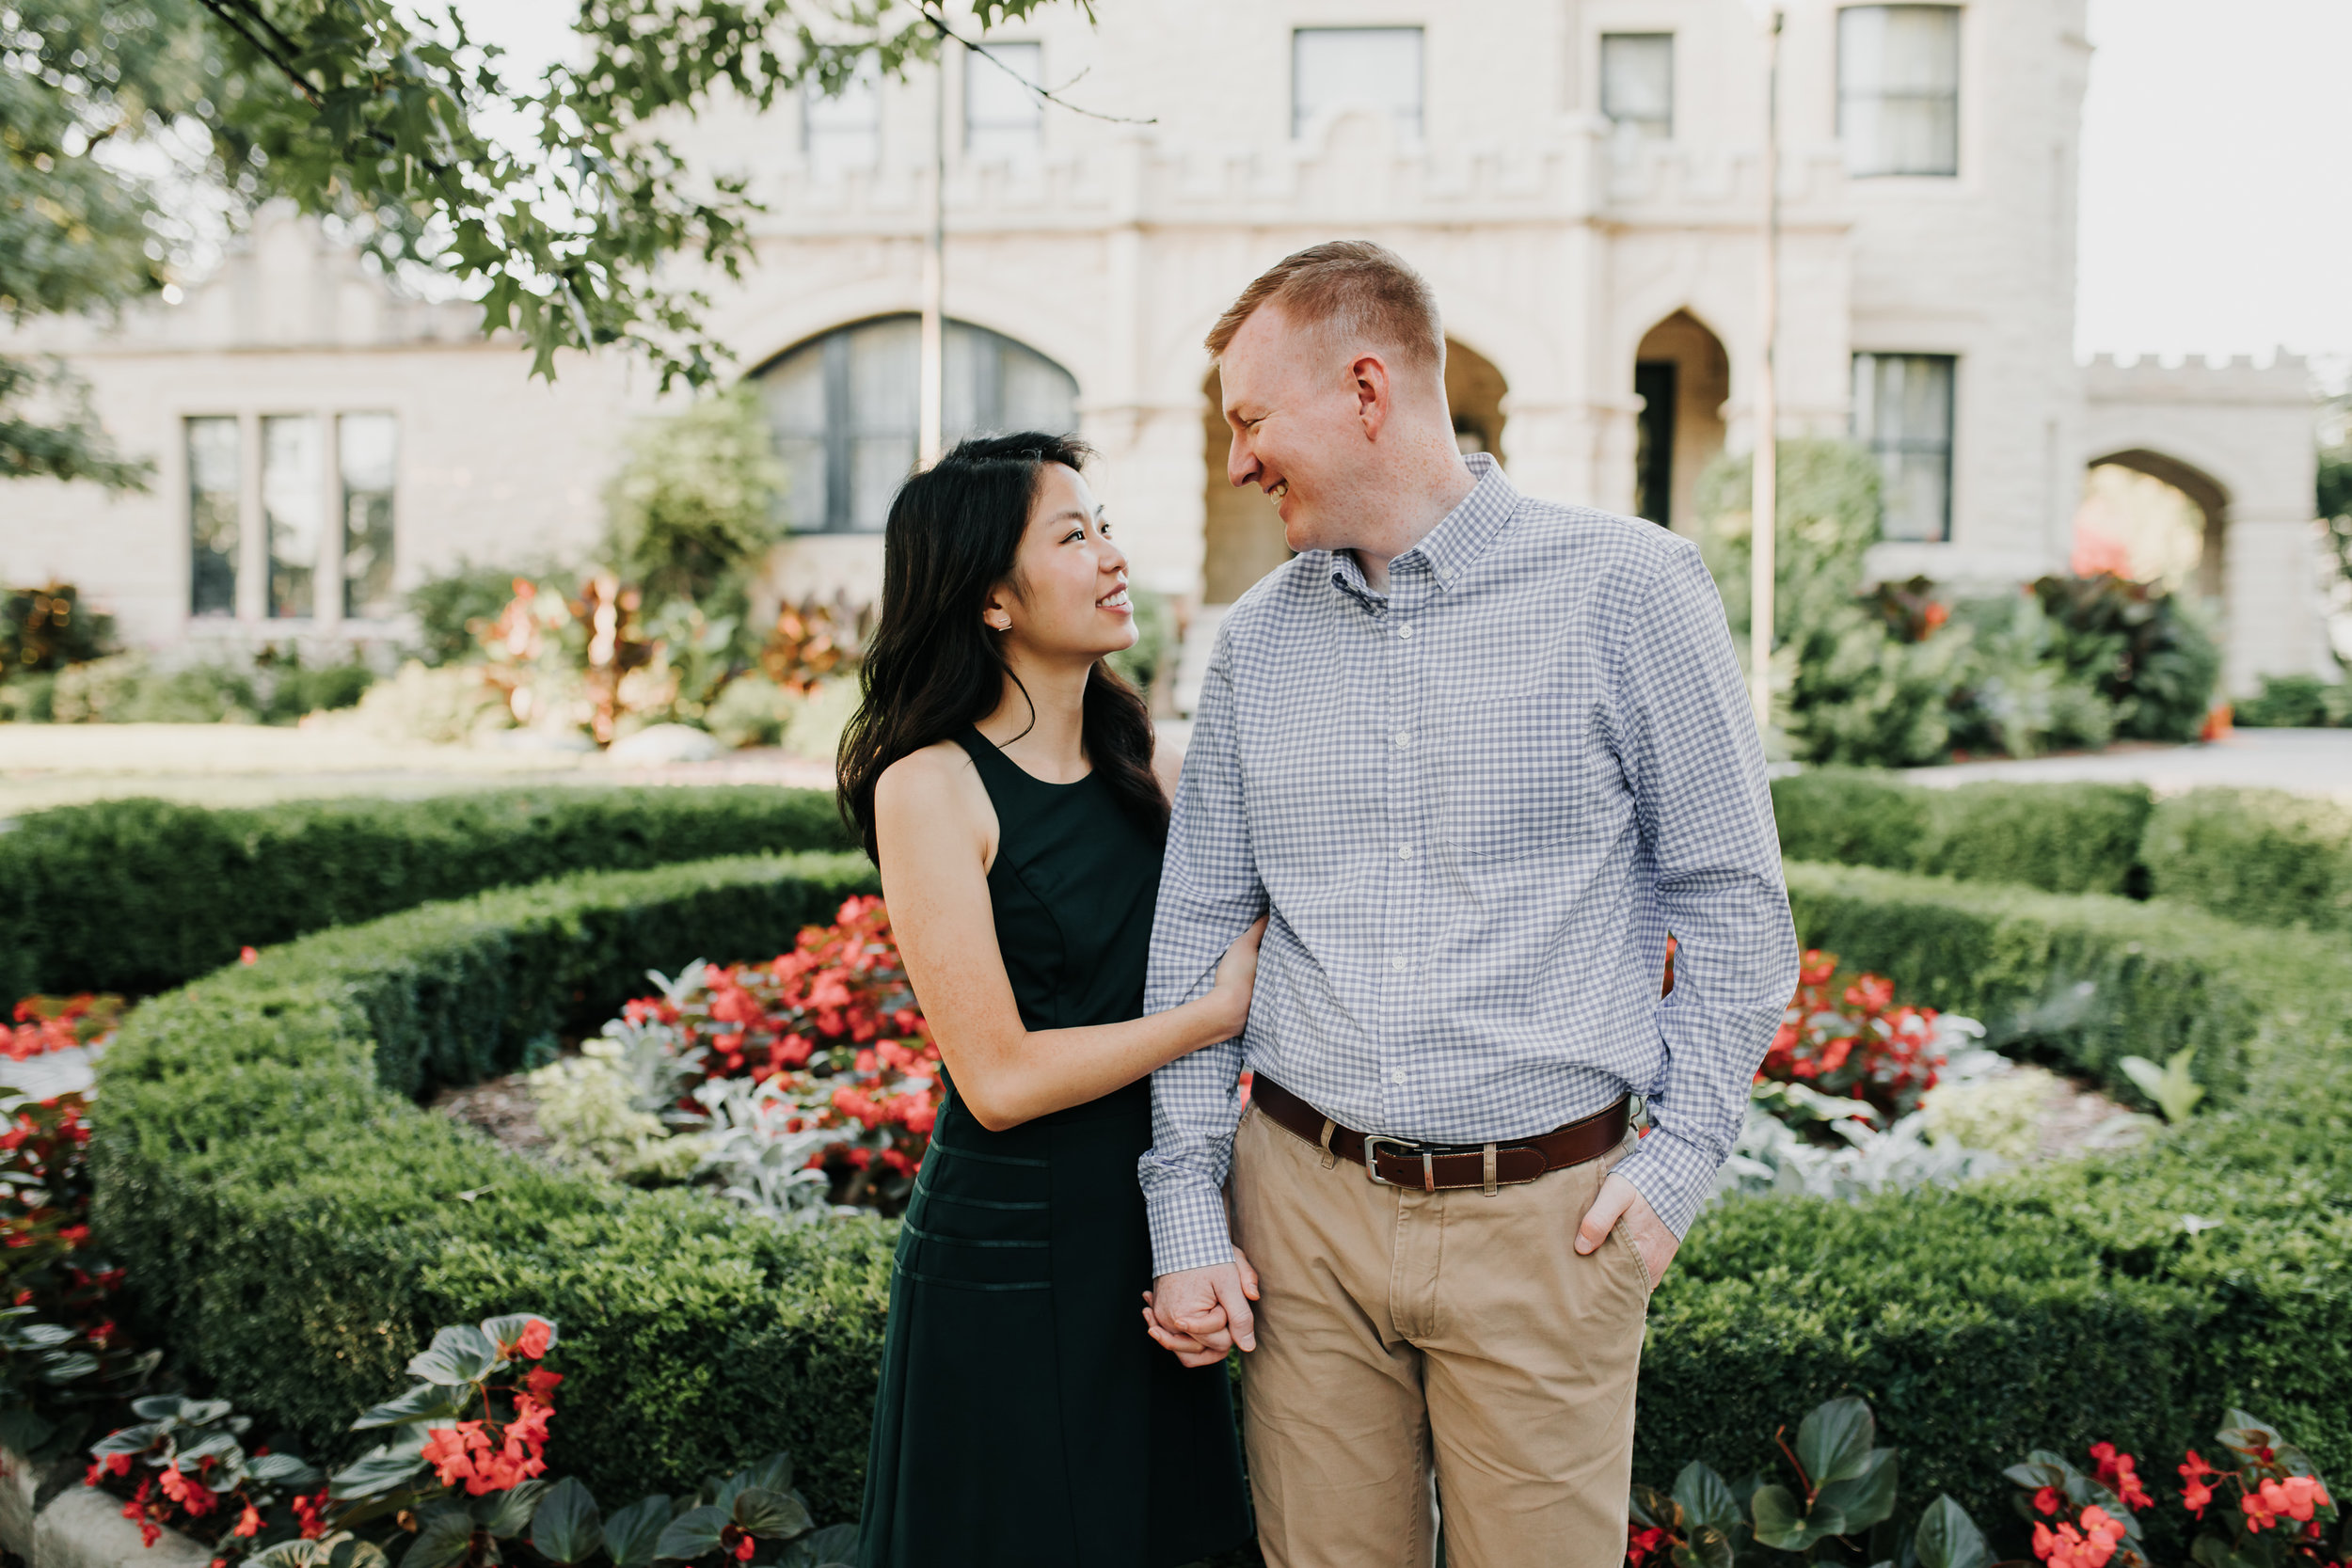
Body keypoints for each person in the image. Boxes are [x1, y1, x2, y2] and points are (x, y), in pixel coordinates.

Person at [1137, 243, 1800, 1568]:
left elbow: (1736, 904)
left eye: (1252, 421)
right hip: (1302, 1220)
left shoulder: (1631, 591)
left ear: (1367, 389)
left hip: (1545, 1224)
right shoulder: (1256, 641)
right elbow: (1200, 930)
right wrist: (1188, 1209)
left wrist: (1677, 1163)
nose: (1237, 463)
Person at [839, 432, 1259, 1568]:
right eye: (1073, 536)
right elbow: (1000, 1076)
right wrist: (1208, 1015)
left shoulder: (1149, 766)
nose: (1112, 556)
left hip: (1154, 1223)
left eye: (1104, 526)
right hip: (1010, 1249)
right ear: (989, 596)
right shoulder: (929, 783)